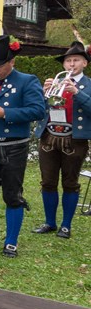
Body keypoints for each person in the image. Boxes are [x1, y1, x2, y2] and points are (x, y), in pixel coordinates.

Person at [0, 35, 45, 258]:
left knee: (13, 195)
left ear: (12, 62)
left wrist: (6, 113)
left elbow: (38, 110)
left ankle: (11, 242)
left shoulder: (27, 80)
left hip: (14, 146)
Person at [33, 41, 91, 239]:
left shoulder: (88, 85)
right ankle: (50, 222)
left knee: (70, 182)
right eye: (68, 61)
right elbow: (39, 110)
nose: (71, 64)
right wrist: (43, 92)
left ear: (85, 63)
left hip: (74, 139)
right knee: (48, 181)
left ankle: (66, 225)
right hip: (49, 136)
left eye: (76, 60)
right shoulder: (56, 82)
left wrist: (77, 93)